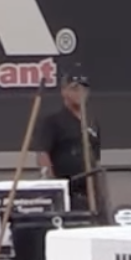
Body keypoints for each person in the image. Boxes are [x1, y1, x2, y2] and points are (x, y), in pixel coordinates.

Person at [34, 72, 102, 213]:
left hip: (90, 190)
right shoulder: (53, 121)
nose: (80, 93)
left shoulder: (92, 122)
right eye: (75, 89)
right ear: (64, 92)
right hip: (67, 189)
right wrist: (52, 185)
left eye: (84, 89)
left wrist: (99, 185)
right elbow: (42, 153)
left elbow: (96, 156)